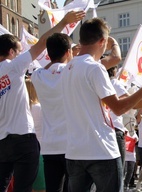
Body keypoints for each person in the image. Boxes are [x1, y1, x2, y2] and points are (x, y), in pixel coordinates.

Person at [60, 18, 142, 192]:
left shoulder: (67, 68)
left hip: (75, 151)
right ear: (102, 42)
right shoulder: (95, 68)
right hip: (100, 149)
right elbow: (118, 108)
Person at [0, 11, 84, 192]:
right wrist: (64, 22)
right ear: (11, 52)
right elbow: (42, 43)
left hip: (1, 141)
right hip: (22, 138)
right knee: (23, 188)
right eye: (19, 51)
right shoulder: (12, 66)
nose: (21, 55)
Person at [31, 33, 74, 192]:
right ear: (68, 52)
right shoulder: (71, 72)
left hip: (49, 146)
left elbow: (45, 67)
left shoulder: (38, 75)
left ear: (48, 55)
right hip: (71, 145)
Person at [25, 79, 45, 192]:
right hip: (42, 151)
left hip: (25, 152)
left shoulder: (22, 110)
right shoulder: (40, 108)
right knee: (41, 188)